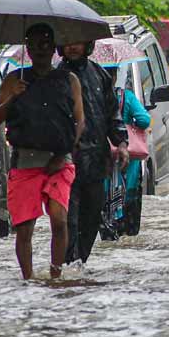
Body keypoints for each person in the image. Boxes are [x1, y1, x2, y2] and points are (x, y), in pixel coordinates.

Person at [0, 24, 84, 279]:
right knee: (24, 229)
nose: (40, 49)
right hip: (24, 163)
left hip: (60, 160)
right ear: (27, 49)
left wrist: (64, 152)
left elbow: (80, 121)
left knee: (59, 219)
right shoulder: (14, 79)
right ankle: (28, 279)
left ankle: (56, 275)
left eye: (45, 43)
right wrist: (13, 96)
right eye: (34, 44)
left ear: (54, 48)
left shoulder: (69, 80)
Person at [59, 39, 129, 266]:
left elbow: (113, 115)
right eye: (68, 42)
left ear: (87, 45)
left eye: (76, 42)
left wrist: (121, 144)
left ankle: (80, 264)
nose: (72, 46)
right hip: (66, 161)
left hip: (97, 161)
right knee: (69, 220)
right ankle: (67, 265)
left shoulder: (100, 75)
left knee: (91, 218)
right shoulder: (55, 78)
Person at [108, 67, 151, 236]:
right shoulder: (125, 97)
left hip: (102, 161)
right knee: (129, 223)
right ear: (115, 75)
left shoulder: (91, 96)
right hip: (128, 165)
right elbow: (144, 119)